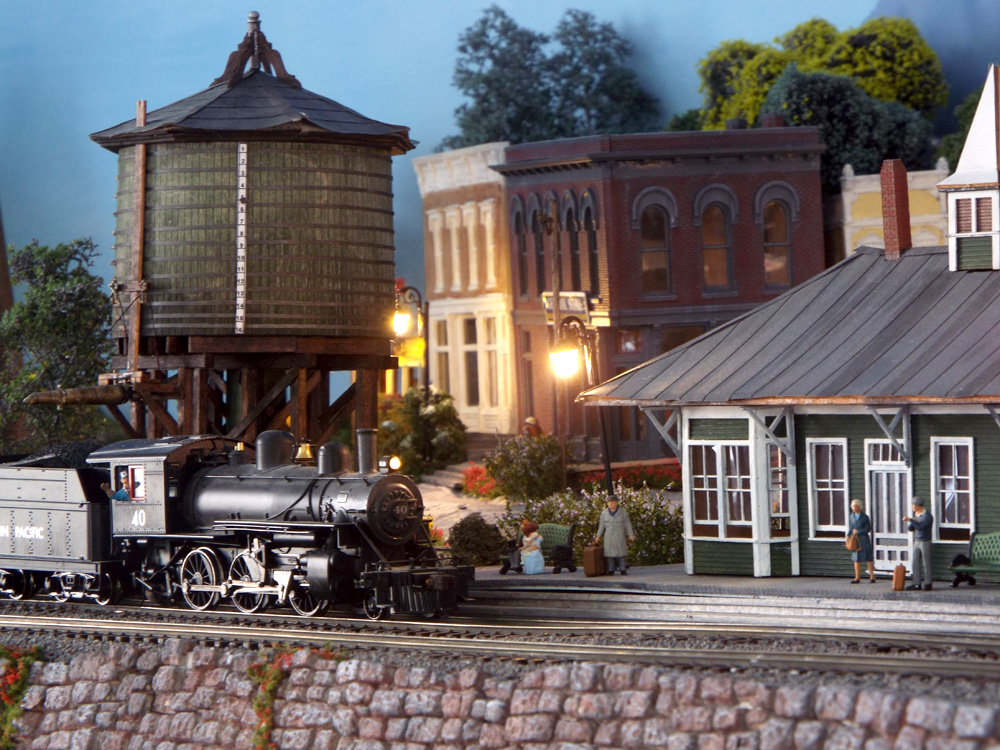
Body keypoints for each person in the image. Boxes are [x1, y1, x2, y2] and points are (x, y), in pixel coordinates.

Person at [595, 495, 635, 576]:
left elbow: (628, 524)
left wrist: (631, 534)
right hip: (609, 536)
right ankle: (611, 570)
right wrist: (598, 536)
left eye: (612, 502)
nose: (610, 504)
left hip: (619, 535)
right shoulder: (604, 514)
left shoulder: (623, 513)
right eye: (609, 502)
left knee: (621, 553)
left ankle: (622, 569)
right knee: (609, 554)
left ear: (616, 503)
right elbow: (601, 526)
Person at [903, 496, 934, 590]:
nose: (912, 507)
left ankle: (928, 582)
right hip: (917, 540)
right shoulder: (916, 515)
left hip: (925, 541)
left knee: (926, 562)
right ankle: (916, 582)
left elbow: (921, 527)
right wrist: (912, 522)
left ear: (918, 506)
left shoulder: (927, 516)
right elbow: (911, 528)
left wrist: (911, 520)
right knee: (915, 562)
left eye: (914, 505)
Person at [847, 499, 876, 583]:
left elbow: (867, 528)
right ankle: (857, 577)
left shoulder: (865, 517)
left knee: (868, 558)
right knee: (856, 559)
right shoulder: (851, 516)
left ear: (859, 507)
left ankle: (872, 576)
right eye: (852, 506)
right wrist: (848, 535)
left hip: (864, 539)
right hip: (855, 540)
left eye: (854, 506)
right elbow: (851, 527)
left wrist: (859, 532)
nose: (853, 508)